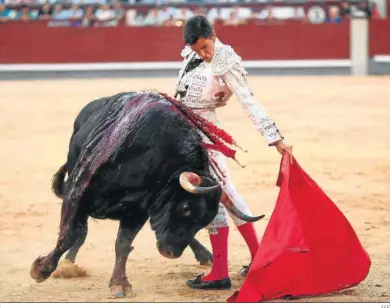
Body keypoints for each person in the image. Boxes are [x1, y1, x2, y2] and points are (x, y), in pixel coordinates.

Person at [174, 15, 293, 290]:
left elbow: (249, 102)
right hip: (187, 133)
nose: (203, 54)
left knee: (213, 197)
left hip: (206, 136)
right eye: (197, 50)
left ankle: (218, 272)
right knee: (228, 195)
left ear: (214, 36)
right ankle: (259, 257)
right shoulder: (192, 56)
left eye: (205, 47)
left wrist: (275, 138)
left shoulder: (226, 62)